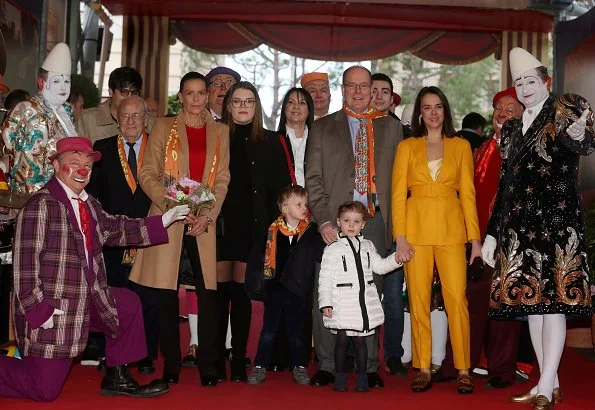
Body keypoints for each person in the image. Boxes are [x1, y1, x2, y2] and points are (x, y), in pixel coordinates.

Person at [0, 137, 190, 401]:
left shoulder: (88, 204)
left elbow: (115, 229)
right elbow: (24, 270)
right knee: (44, 390)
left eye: (87, 165)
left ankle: (117, 377)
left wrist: (162, 221)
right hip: (54, 308)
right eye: (74, 163)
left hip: (87, 298)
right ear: (56, 165)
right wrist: (40, 311)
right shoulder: (40, 205)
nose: (82, 170)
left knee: (126, 304)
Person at [481, 47, 594, 410]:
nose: (525, 87)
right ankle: (550, 383)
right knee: (532, 306)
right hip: (519, 230)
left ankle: (545, 386)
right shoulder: (511, 128)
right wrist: (492, 233)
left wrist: (578, 132)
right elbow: (506, 184)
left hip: (557, 227)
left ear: (545, 82)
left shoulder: (564, 110)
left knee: (554, 306)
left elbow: (583, 141)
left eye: (531, 80)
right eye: (519, 82)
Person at [128, 71, 231, 387]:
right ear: (181, 96)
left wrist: (208, 214)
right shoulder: (162, 126)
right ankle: (171, 363)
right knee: (166, 294)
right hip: (169, 217)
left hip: (203, 221)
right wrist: (170, 205)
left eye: (202, 93)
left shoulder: (221, 131)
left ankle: (210, 365)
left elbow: (223, 178)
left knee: (208, 294)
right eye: (191, 93)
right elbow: (147, 172)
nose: (197, 99)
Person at [305, 65, 403, 389]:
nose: (359, 93)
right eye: (352, 86)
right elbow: (314, 181)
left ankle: (370, 366)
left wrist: (398, 230)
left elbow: (400, 183)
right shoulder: (322, 128)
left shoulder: (391, 127)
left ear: (372, 90)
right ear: (343, 89)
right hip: (335, 222)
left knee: (369, 296)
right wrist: (324, 221)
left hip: (375, 222)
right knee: (329, 292)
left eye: (365, 87)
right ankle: (328, 365)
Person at [435, 87, 527, 388]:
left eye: (510, 108)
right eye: (498, 107)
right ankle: (458, 363)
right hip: (475, 239)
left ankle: (502, 369)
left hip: (510, 240)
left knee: (504, 306)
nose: (502, 113)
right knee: (467, 303)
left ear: (524, 112)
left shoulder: (526, 148)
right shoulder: (484, 148)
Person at [392, 86, 481, 394]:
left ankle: (463, 368)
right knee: (417, 301)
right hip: (414, 234)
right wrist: (400, 237)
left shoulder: (461, 146)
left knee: (457, 299)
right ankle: (423, 366)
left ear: (445, 111)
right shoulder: (407, 147)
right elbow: (397, 196)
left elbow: (468, 195)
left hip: (452, 233)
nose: (433, 112)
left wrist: (476, 240)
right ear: (419, 112)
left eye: (438, 106)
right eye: (427, 107)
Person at [217, 81, 292, 382]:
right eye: (237, 101)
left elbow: (282, 190)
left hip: (255, 229)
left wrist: (275, 232)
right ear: (228, 106)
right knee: (221, 295)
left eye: (249, 101)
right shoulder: (218, 137)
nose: (243, 106)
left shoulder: (273, 141)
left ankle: (238, 359)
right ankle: (215, 356)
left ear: (257, 106)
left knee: (244, 295)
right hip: (221, 227)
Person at [87, 95, 156, 374]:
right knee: (113, 296)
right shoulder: (101, 149)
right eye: (125, 116)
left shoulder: (158, 149)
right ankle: (112, 355)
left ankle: (147, 354)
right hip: (112, 237)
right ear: (117, 119)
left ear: (145, 118)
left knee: (147, 297)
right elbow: (93, 195)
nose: (130, 122)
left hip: (148, 235)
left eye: (136, 116)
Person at [318, 201, 401, 392]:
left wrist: (396, 259)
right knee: (341, 342)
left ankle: (362, 376)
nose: (351, 225)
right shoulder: (332, 249)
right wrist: (326, 303)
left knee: (361, 343)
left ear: (363, 224)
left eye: (356, 221)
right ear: (338, 222)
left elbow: (379, 267)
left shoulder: (368, 246)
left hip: (362, 306)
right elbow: (325, 278)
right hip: (341, 304)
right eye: (347, 220)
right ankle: (340, 377)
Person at [246, 185, 324, 385]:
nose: (304, 208)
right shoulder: (272, 230)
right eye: (299, 204)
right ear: (285, 208)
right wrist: (259, 283)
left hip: (298, 290)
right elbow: (259, 258)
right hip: (275, 289)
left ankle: (299, 366)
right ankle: (260, 366)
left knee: (297, 331)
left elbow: (320, 254)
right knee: (269, 330)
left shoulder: (311, 231)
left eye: (305, 204)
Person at [2, 42, 77, 194]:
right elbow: (28, 174)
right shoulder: (32, 112)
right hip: (41, 200)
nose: (63, 87)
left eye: (67, 81)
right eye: (56, 81)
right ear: (41, 83)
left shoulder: (65, 111)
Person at [76, 67, 143, 143]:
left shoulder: (148, 122)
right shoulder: (89, 119)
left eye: (134, 93)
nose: (130, 98)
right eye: (124, 92)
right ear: (111, 92)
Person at [278, 87, 314, 187]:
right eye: (291, 102)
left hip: (314, 201)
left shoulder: (318, 140)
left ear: (309, 109)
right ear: (284, 107)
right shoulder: (273, 141)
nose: (296, 107)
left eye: (302, 103)